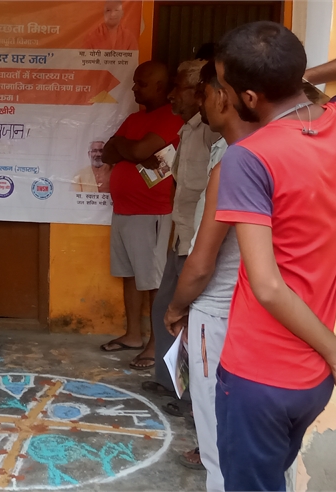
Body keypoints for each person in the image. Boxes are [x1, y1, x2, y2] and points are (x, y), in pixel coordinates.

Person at [211, 22, 336, 490]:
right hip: (311, 380)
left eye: (225, 87)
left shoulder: (248, 157)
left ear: (249, 97)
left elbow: (268, 286)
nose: (223, 95)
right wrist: (297, 77)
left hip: (258, 375)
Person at [161, 61, 258, 488]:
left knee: (217, 433)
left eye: (204, 93)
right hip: (254, 310)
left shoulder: (234, 164)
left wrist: (176, 308)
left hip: (216, 311)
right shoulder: (278, 152)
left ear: (223, 98)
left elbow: (202, 263)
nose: (200, 102)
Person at [132, 59, 220, 371]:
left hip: (197, 240)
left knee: (186, 314)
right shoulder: (188, 128)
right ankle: (168, 381)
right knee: (164, 308)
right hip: (181, 236)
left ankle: (187, 386)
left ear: (199, 92)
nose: (171, 95)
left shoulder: (211, 133)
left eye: (178, 88)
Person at [98, 61, 183, 355]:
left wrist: (128, 149)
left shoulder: (171, 117)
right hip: (124, 210)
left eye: (141, 84)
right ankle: (133, 335)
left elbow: (136, 150)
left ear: (160, 87)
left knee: (153, 280)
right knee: (131, 275)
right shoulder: (135, 119)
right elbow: (108, 152)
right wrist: (130, 149)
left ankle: (156, 344)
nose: (134, 88)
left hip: (152, 212)